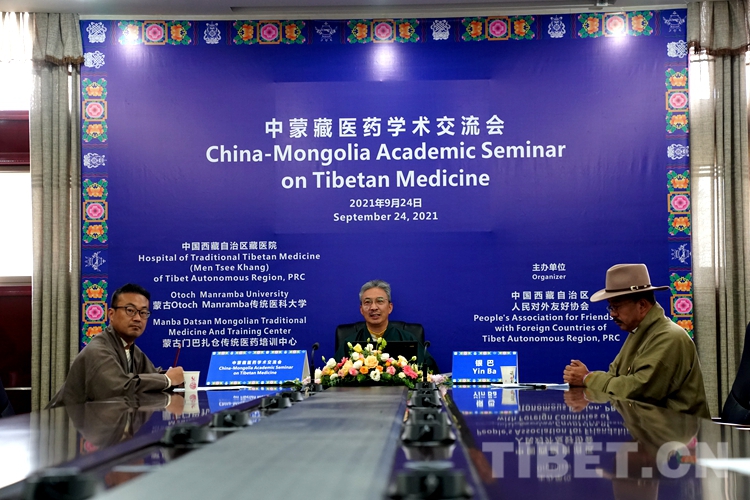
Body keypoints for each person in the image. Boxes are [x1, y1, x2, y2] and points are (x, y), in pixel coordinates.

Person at [562, 263, 710, 418]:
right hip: (654, 429)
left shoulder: (669, 337)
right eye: (611, 307)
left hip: (676, 431)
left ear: (642, 305)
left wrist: (587, 378)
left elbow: (638, 391)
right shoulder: (640, 332)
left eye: (616, 307)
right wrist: (591, 379)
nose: (612, 314)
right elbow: (614, 376)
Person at [47, 283, 184, 407]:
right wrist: (166, 380)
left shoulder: (131, 349)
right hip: (65, 423)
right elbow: (118, 389)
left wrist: (174, 377)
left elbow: (150, 375)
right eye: (130, 310)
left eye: (143, 312)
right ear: (111, 314)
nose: (137, 318)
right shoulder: (98, 349)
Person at [335, 279, 439, 373]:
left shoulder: (408, 339)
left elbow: (430, 373)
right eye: (367, 302)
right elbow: (333, 374)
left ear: (390, 307)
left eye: (380, 301)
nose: (373, 307)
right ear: (361, 310)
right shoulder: (349, 344)